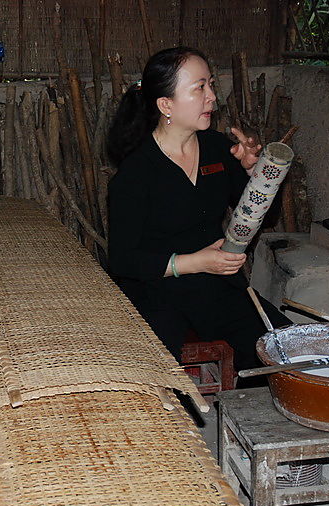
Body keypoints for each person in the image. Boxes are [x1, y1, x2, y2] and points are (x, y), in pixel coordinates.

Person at [106, 46, 290, 379]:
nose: (212, 98)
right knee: (163, 379)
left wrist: (256, 175)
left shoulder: (218, 148)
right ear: (166, 105)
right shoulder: (136, 174)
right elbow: (122, 261)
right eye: (199, 88)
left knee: (286, 348)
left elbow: (264, 215)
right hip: (157, 290)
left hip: (217, 285)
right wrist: (194, 262)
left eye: (210, 85)